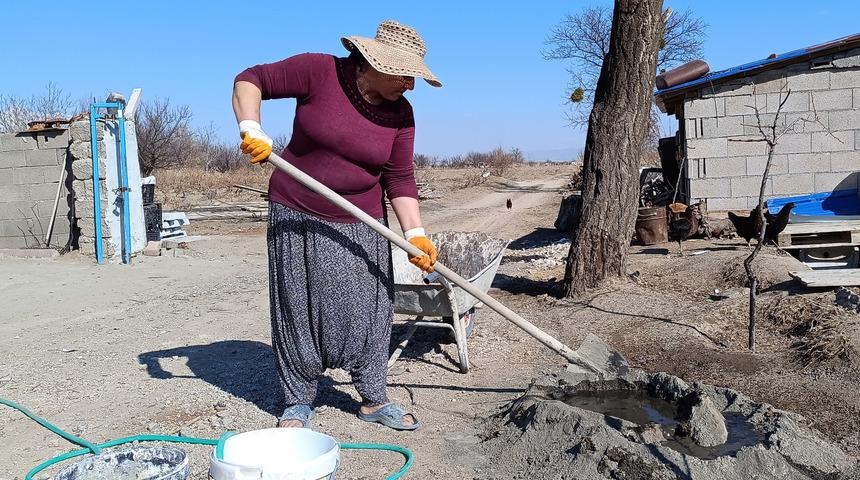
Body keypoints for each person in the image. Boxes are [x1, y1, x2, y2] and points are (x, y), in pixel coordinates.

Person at [232, 20, 440, 431]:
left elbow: (398, 177)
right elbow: (250, 79)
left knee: (371, 308)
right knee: (300, 305)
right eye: (404, 75)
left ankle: (373, 398)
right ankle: (297, 400)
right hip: (296, 211)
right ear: (375, 63)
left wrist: (414, 233)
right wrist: (250, 127)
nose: (410, 86)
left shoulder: (402, 113)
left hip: (363, 219)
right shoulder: (318, 71)